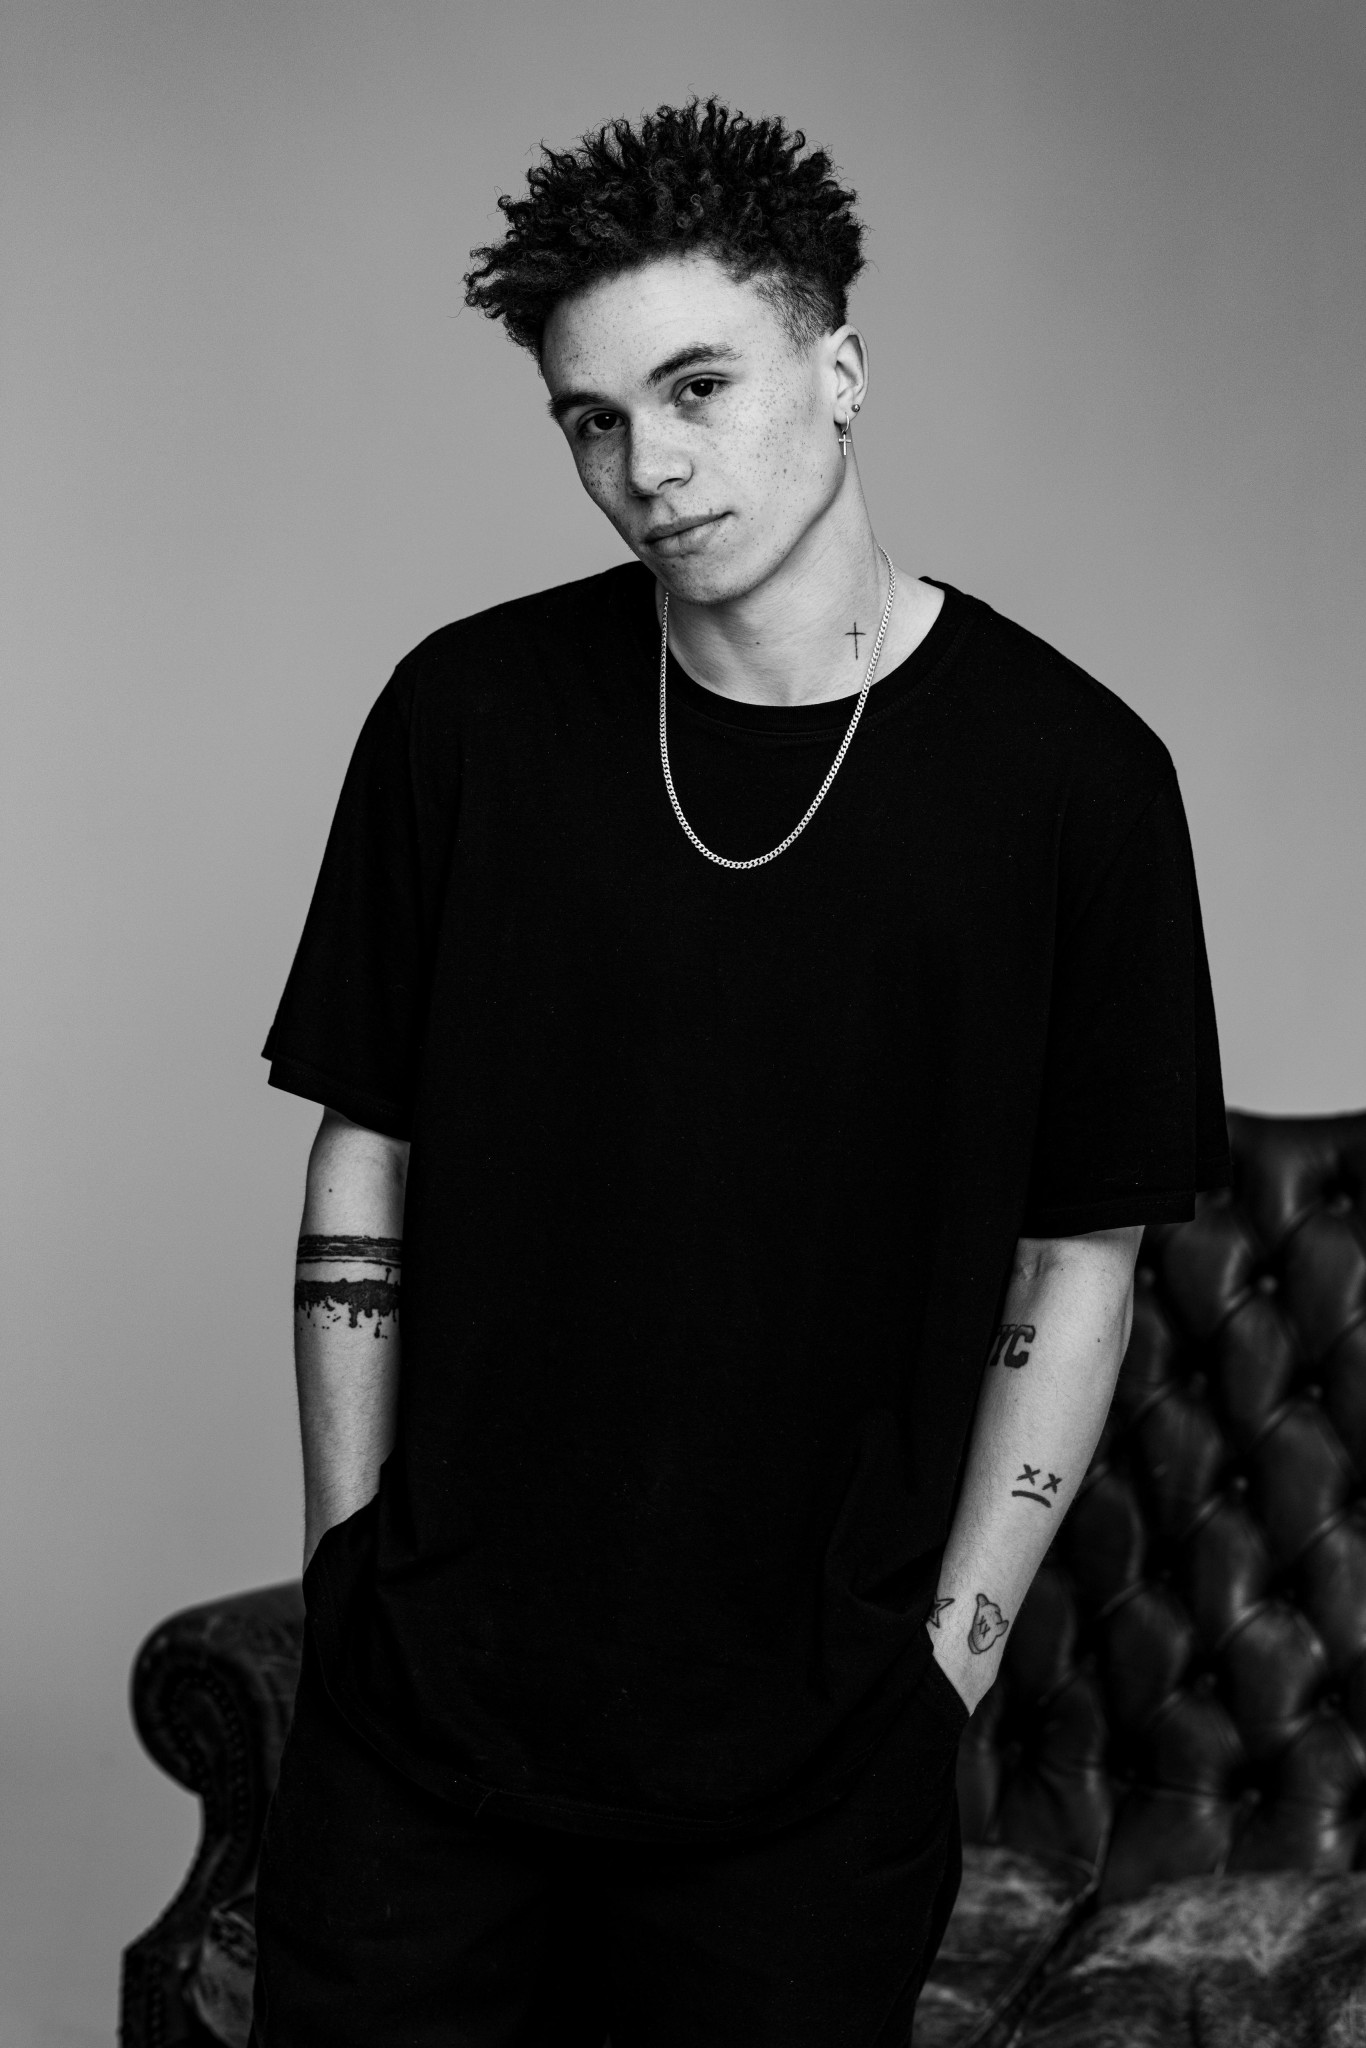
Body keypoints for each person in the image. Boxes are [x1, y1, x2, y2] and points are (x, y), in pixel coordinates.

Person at [250, 98, 1228, 2047]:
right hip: (426, 1727)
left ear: (838, 368)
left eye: (696, 386)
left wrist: (947, 1661)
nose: (648, 467)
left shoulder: (1074, 785)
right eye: (591, 420)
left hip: (810, 1770)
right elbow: (371, 1143)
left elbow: (1078, 1258)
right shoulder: (466, 717)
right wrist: (348, 1563)